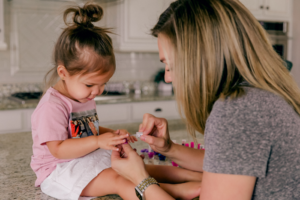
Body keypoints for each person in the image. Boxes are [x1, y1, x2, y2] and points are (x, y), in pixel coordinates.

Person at [111, 0, 300, 199]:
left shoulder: (239, 110)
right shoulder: (261, 96)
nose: (167, 77)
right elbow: (231, 164)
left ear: (198, 61)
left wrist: (140, 179)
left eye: (170, 65)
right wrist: (169, 149)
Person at [30, 2, 202, 200]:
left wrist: (111, 134)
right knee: (118, 179)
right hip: (59, 170)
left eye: (103, 84)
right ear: (63, 73)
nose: (97, 91)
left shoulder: (81, 94)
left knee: (142, 169)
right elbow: (58, 149)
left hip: (83, 158)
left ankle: (195, 175)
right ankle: (177, 191)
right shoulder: (52, 106)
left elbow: (85, 130)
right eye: (90, 85)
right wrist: (97, 141)